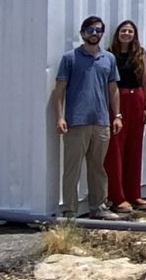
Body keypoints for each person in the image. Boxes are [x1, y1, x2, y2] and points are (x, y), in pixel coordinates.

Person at [48, 15, 122, 218]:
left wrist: (117, 115)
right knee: (72, 168)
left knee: (98, 168)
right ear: (82, 33)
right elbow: (59, 90)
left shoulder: (109, 59)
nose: (94, 34)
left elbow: (113, 89)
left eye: (98, 30)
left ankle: (98, 207)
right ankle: (70, 211)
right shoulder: (70, 58)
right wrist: (60, 117)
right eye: (90, 30)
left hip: (101, 122)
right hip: (76, 121)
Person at [104, 20, 146, 212]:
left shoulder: (140, 54)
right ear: (117, 33)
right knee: (115, 149)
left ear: (135, 35)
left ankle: (134, 193)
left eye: (130, 31)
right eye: (123, 30)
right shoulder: (109, 54)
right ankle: (117, 196)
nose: (126, 34)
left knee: (135, 147)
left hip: (137, 98)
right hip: (118, 99)